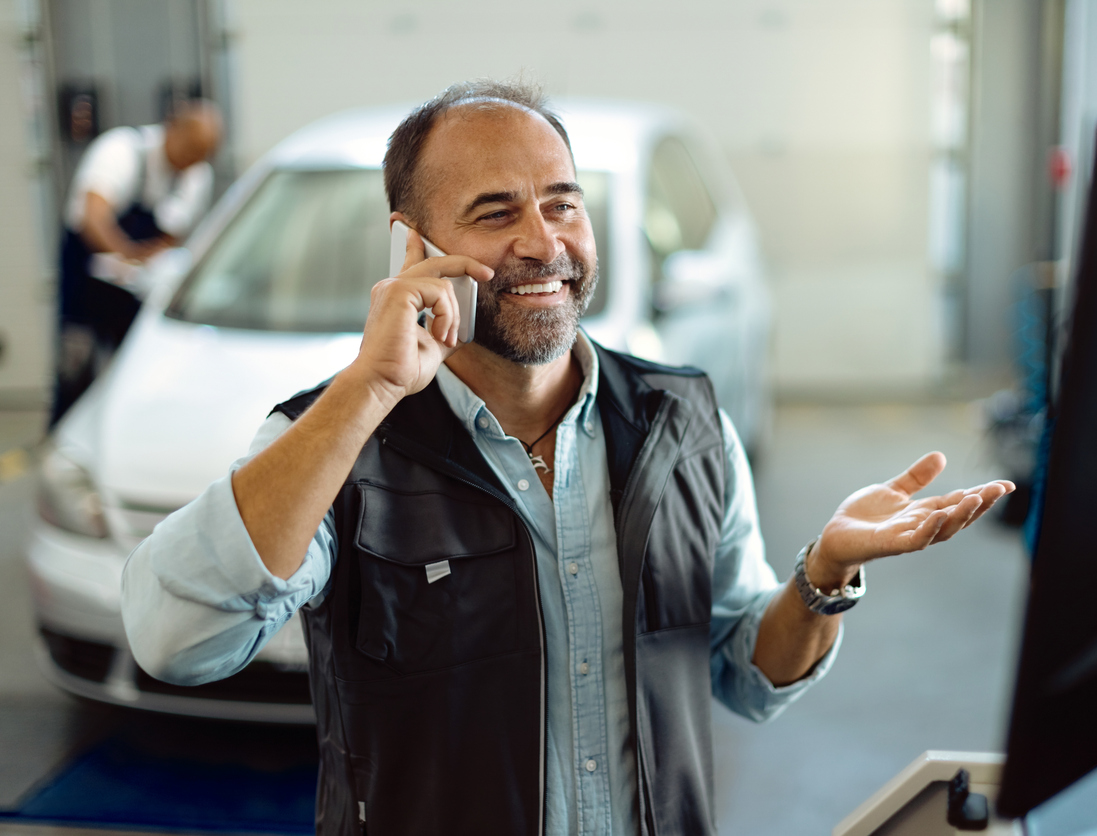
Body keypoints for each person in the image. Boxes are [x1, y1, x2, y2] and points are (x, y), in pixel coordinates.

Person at [120, 81, 1012, 836]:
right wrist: (367, 388)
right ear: (411, 246)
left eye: (562, 202)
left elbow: (745, 672)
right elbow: (176, 639)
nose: (545, 243)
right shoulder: (342, 439)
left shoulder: (682, 418)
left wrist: (822, 575)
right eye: (496, 211)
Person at [53, 99, 222, 423]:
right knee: (77, 365)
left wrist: (149, 260)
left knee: (130, 366)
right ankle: (64, 439)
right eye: (191, 149)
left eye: (202, 155)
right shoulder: (120, 151)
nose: (192, 161)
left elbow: (173, 232)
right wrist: (125, 255)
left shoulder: (196, 174)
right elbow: (93, 217)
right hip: (86, 278)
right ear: (173, 129)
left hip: (135, 288)